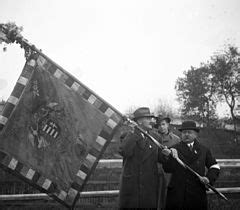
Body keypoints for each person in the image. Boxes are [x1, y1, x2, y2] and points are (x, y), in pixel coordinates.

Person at [162, 120, 220, 210]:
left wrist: (208, 178)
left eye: (189, 132)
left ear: (196, 134)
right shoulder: (173, 149)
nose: (186, 134)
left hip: (197, 193)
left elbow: (214, 166)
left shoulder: (204, 150)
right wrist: (168, 157)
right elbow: (167, 169)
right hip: (178, 194)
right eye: (184, 132)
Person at [118, 107, 163, 209]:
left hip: (149, 186)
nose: (151, 121)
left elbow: (162, 159)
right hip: (132, 186)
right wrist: (135, 133)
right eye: (147, 118)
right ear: (139, 121)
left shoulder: (156, 137)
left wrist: (170, 153)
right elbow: (124, 152)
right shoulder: (127, 136)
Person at [154, 115, 180, 210]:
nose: (162, 127)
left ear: (168, 124)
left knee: (168, 196)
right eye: (159, 125)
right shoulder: (153, 137)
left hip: (170, 173)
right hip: (155, 171)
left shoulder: (176, 139)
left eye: (163, 124)